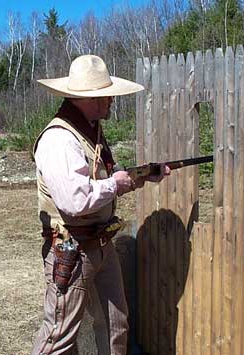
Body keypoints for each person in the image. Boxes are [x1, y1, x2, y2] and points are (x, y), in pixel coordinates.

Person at [32, 54, 170, 355]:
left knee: (115, 325)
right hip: (72, 249)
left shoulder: (89, 131)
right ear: (91, 98)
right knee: (58, 337)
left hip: (100, 244)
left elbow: (102, 181)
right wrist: (116, 183)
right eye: (108, 96)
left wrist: (140, 177)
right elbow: (75, 200)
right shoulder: (59, 138)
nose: (112, 101)